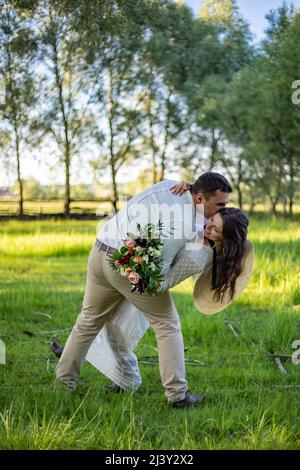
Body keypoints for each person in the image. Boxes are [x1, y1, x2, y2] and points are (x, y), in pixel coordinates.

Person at [55, 172, 233, 408]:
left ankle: (63, 385)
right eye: (219, 204)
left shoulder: (171, 187)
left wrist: (192, 187)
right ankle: (178, 395)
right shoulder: (183, 226)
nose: (221, 210)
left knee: (88, 321)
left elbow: (192, 202)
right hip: (123, 265)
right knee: (167, 325)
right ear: (200, 198)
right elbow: (155, 276)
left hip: (100, 250)